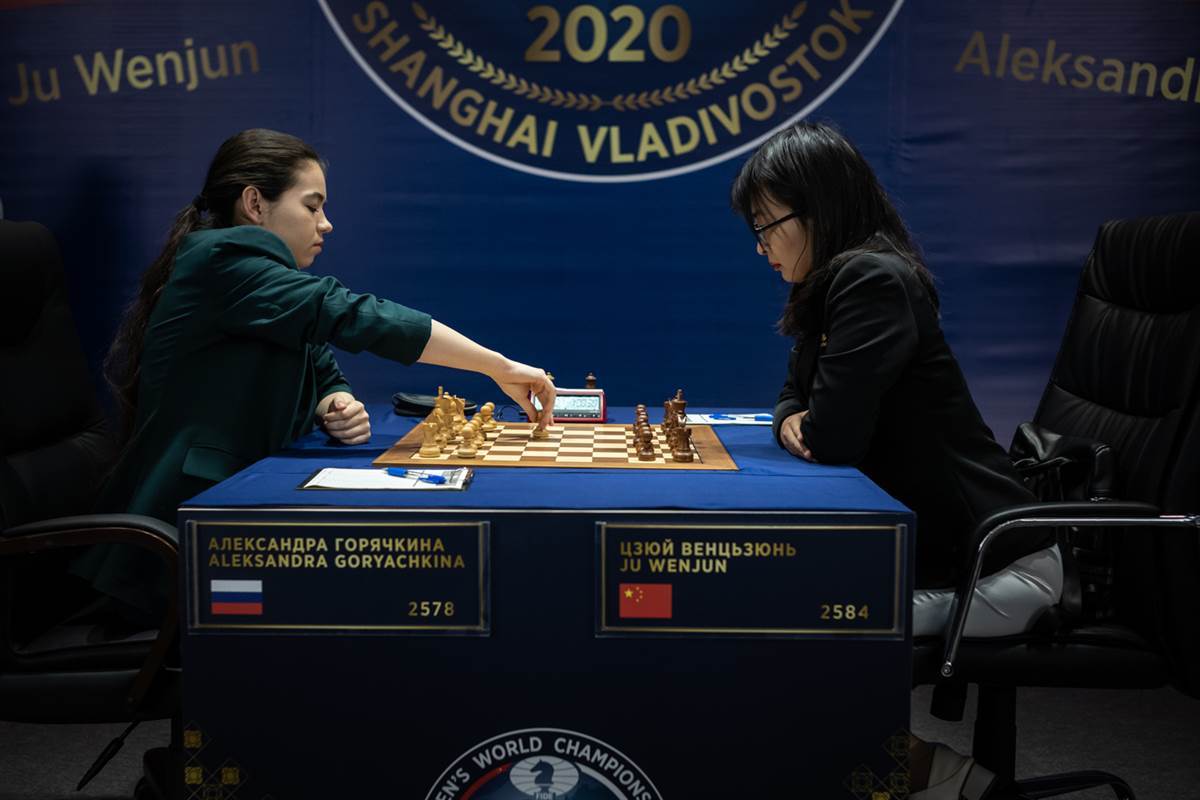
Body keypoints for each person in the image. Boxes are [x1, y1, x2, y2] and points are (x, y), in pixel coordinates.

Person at [76, 128, 556, 621]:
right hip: (183, 536)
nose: (326, 224)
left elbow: (319, 362)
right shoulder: (225, 264)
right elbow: (354, 314)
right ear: (254, 204)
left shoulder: (254, 278)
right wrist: (499, 367)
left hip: (230, 507)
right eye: (312, 206)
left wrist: (333, 400)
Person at [731, 121, 1061, 798]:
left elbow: (831, 436)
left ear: (818, 208)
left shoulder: (872, 279)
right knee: (765, 614)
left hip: (996, 566)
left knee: (785, 628)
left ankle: (947, 779)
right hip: (950, 555)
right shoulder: (832, 286)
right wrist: (795, 418)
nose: (761, 246)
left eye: (767, 225)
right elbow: (792, 399)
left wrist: (804, 420)